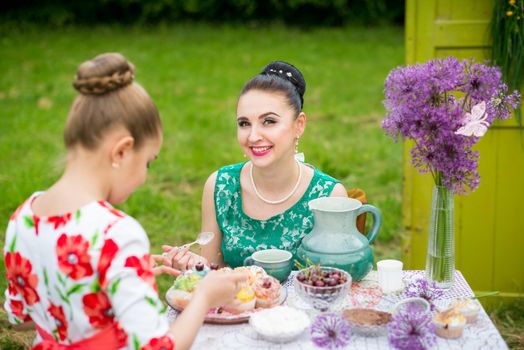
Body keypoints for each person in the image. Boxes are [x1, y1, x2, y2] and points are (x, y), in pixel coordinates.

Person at [3, 53, 247, 350]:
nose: (145, 176)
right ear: (121, 152)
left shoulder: (23, 217)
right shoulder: (116, 233)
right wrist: (205, 296)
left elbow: (21, 317)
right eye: (147, 162)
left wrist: (113, 284)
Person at [165, 61, 347, 270]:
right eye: (244, 123)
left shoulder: (329, 196)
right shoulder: (220, 186)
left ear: (299, 124)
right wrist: (193, 266)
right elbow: (211, 269)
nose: (253, 136)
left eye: (269, 121)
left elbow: (339, 283)